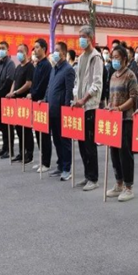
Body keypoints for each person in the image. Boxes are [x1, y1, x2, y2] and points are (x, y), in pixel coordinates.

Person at [105, 45, 138, 202]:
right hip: (113, 120)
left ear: (125, 59)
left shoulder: (130, 75)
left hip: (126, 119)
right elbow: (111, 96)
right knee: (114, 153)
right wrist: (110, 106)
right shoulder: (113, 75)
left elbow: (133, 97)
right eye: (112, 57)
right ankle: (118, 182)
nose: (114, 60)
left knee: (125, 153)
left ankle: (128, 186)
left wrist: (119, 108)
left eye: (117, 57)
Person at [72, 26, 104, 191]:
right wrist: (76, 98)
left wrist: (84, 99)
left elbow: (96, 83)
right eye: (79, 36)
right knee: (82, 143)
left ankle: (93, 178)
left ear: (91, 38)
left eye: (83, 36)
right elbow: (78, 82)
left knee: (90, 143)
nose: (81, 40)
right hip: (80, 106)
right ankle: (87, 175)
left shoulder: (96, 57)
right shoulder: (81, 57)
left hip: (90, 106)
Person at [45, 42, 75, 180]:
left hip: (61, 111)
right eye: (53, 50)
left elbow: (69, 91)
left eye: (57, 50)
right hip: (52, 110)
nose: (54, 53)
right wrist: (45, 100)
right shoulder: (54, 69)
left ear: (63, 52)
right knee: (56, 140)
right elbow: (49, 87)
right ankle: (60, 165)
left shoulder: (68, 69)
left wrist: (66, 109)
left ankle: (67, 168)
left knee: (65, 141)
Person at [7, 44, 34, 164]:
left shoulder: (30, 67)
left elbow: (28, 84)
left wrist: (16, 92)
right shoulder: (18, 67)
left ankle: (29, 153)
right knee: (18, 128)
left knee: (26, 129)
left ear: (26, 53)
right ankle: (21, 152)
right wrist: (11, 93)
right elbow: (14, 82)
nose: (19, 53)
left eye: (21, 51)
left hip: (25, 102)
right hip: (16, 102)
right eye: (17, 51)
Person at [30, 39, 52, 172]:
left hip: (42, 102)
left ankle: (46, 163)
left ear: (44, 49)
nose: (35, 50)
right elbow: (34, 83)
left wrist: (33, 94)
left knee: (44, 134)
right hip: (35, 102)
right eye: (34, 48)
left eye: (37, 47)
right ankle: (41, 160)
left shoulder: (46, 65)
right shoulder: (38, 64)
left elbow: (43, 84)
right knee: (38, 132)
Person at [0, 42, 15, 159]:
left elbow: (9, 81)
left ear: (7, 50)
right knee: (2, 125)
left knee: (8, 125)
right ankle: (4, 147)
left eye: (3, 48)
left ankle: (10, 149)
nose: (1, 50)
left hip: (6, 98)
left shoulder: (10, 64)